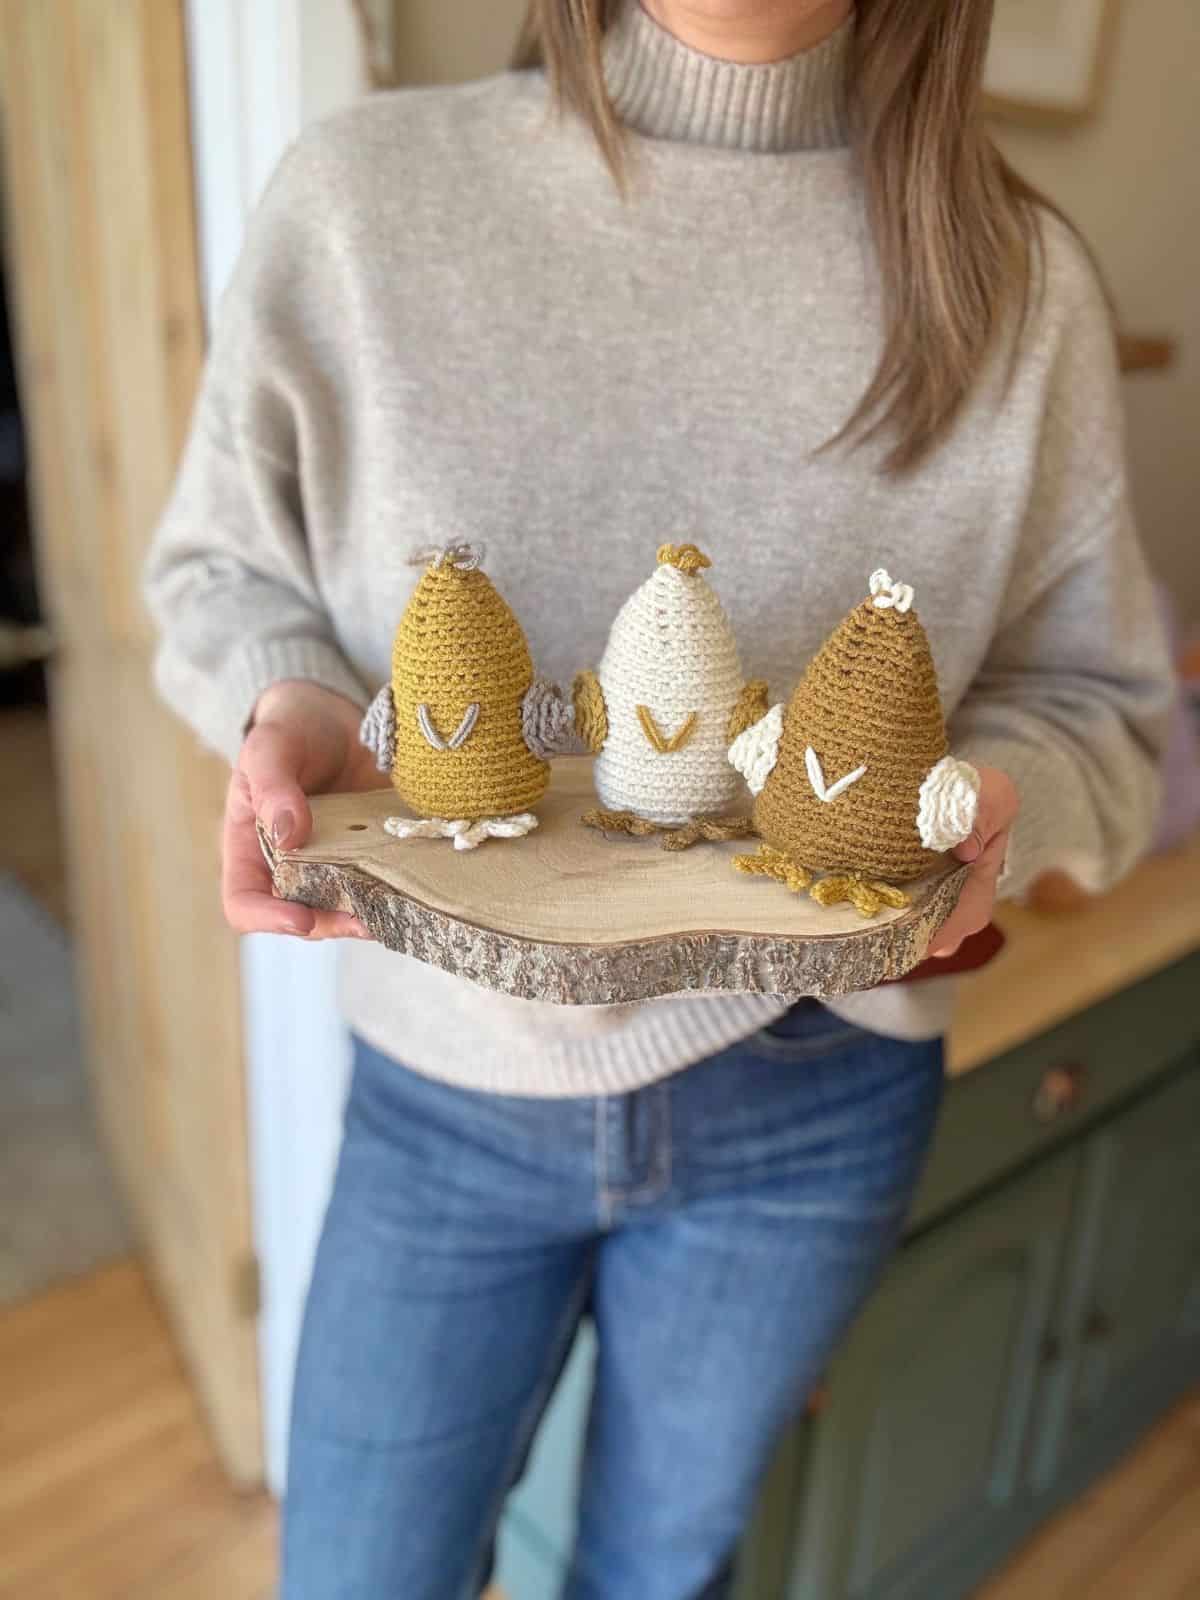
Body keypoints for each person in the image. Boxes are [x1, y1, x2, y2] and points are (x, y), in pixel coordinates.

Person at [144, 0, 1172, 1594]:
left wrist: (985, 802)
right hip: (446, 1083)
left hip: (818, 1092)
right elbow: (221, 568)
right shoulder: (361, 201)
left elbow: (1107, 713)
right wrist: (296, 705)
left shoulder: (1014, 285)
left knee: (663, 1571)